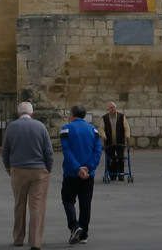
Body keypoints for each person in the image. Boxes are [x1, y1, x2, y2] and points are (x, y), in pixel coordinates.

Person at [2, 101, 54, 250]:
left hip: (18, 169)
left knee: (19, 204)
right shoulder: (40, 127)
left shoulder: (11, 127)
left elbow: (5, 151)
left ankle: (18, 238)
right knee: (37, 206)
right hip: (39, 171)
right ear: (32, 114)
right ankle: (35, 241)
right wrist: (48, 169)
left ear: (18, 113)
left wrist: (8, 167)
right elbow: (48, 151)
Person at [60, 104, 101, 246]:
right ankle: (84, 233)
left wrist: (77, 168)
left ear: (72, 115)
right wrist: (88, 168)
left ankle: (74, 225)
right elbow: (97, 151)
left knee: (68, 200)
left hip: (71, 173)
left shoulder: (66, 129)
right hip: (89, 174)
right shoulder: (93, 130)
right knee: (85, 203)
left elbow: (67, 151)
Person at [99, 102, 130, 179]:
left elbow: (126, 127)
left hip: (120, 142)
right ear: (108, 109)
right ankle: (113, 175)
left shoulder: (121, 116)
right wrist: (103, 135)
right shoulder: (104, 118)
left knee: (121, 158)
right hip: (109, 142)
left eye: (114, 107)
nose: (113, 109)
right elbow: (101, 128)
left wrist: (127, 134)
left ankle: (121, 175)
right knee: (111, 159)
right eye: (111, 107)